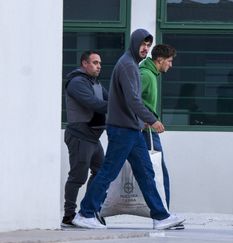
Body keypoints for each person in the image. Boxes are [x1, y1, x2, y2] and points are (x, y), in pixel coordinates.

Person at [72, 29, 185, 229]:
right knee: (109, 172)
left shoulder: (131, 65)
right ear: (134, 43)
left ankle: (160, 216)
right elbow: (133, 99)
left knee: (145, 172)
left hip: (131, 129)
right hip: (123, 129)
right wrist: (152, 119)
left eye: (148, 45)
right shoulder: (127, 66)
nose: (145, 48)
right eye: (143, 44)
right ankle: (85, 213)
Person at [139, 44, 184, 230]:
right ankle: (163, 216)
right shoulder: (146, 75)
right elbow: (130, 98)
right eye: (170, 61)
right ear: (160, 60)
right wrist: (145, 119)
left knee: (155, 173)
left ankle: (163, 215)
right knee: (158, 173)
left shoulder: (151, 74)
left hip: (146, 130)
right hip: (145, 131)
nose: (171, 65)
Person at [62, 50, 108, 227]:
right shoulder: (76, 83)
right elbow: (94, 104)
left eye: (100, 63)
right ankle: (69, 215)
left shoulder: (94, 82)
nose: (99, 66)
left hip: (93, 137)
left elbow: (108, 98)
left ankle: (89, 209)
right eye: (95, 63)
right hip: (80, 135)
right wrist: (118, 107)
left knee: (102, 172)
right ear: (84, 63)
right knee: (77, 177)